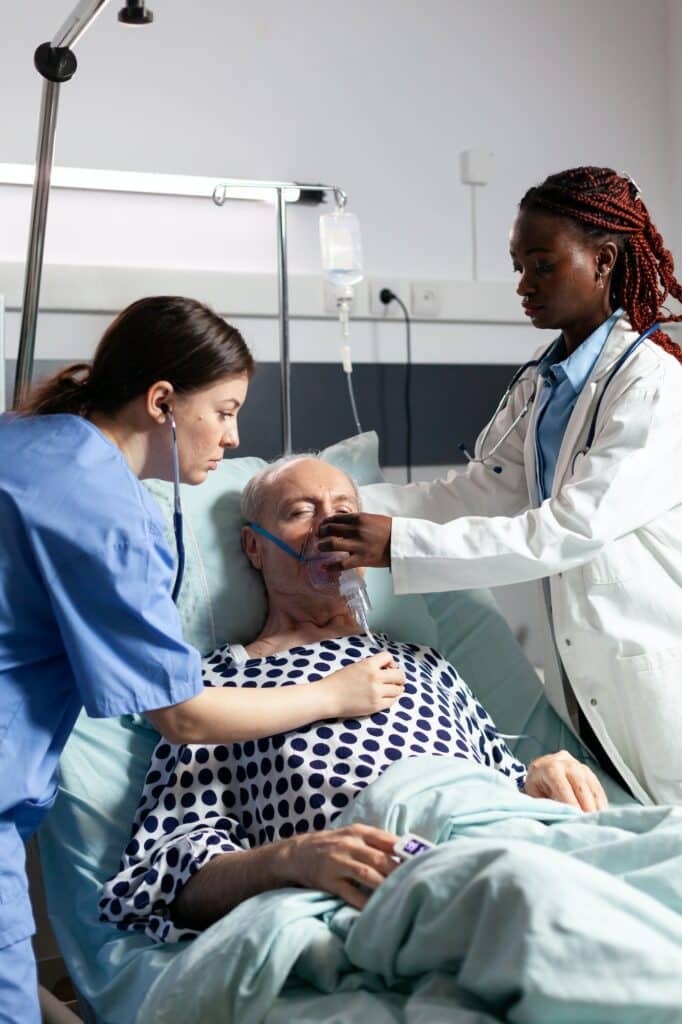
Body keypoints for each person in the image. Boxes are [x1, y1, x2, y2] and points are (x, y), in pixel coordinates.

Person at [0, 299, 400, 1024]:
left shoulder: (26, 442)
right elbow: (183, 717)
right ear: (162, 403)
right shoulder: (107, 513)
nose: (233, 436)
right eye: (224, 411)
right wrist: (333, 696)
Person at [99, 455, 606, 941]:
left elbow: (504, 786)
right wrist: (294, 859)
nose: (329, 527)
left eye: (344, 511)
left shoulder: (424, 662)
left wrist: (543, 775)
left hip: (506, 837)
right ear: (254, 547)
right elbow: (168, 880)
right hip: (393, 875)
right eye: (301, 512)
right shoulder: (215, 689)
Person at [317, 167, 682, 809]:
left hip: (655, 679)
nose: (523, 285)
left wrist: (399, 545)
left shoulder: (654, 388)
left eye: (542, 264)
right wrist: (341, 503)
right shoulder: (545, 386)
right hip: (587, 690)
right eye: (518, 266)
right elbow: (476, 494)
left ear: (603, 261)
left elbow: (569, 528)